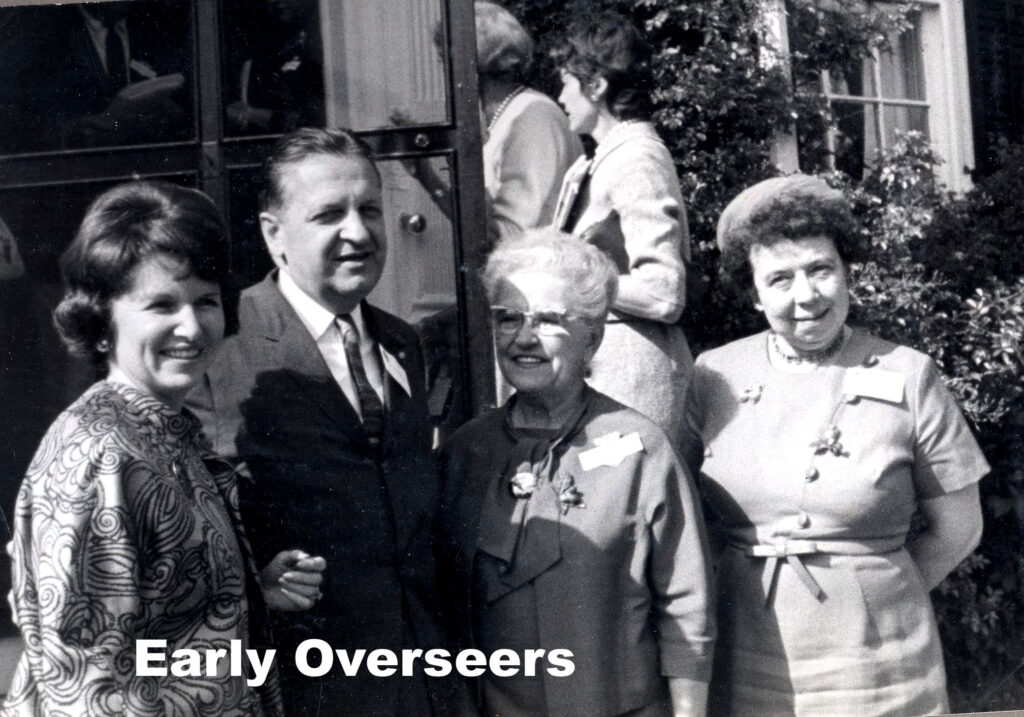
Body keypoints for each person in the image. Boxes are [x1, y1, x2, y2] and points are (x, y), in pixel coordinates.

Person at [2, 181, 324, 717]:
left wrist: (249, 590)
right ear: (102, 323)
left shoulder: (162, 432)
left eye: (206, 301)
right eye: (161, 305)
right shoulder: (102, 455)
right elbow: (86, 687)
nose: (191, 327)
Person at [682, 174, 989, 716]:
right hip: (748, 650)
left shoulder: (909, 375)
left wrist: (880, 598)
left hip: (879, 662)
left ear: (847, 272)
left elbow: (959, 528)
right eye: (779, 279)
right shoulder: (715, 375)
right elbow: (687, 521)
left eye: (820, 269)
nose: (805, 295)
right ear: (754, 294)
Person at [187, 128, 460, 716]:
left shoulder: (401, 341)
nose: (358, 232)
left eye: (369, 210)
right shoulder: (223, 345)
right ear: (274, 235)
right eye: (329, 215)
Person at [438, 229, 714, 717]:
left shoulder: (641, 448)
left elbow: (687, 610)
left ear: (593, 337)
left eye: (548, 320)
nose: (524, 338)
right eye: (508, 318)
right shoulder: (465, 451)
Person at [551, 13, 693, 439]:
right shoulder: (602, 159)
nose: (560, 96)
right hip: (604, 371)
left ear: (596, 86)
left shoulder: (636, 158)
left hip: (634, 379)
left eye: (566, 83)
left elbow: (663, 292)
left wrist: (572, 280)